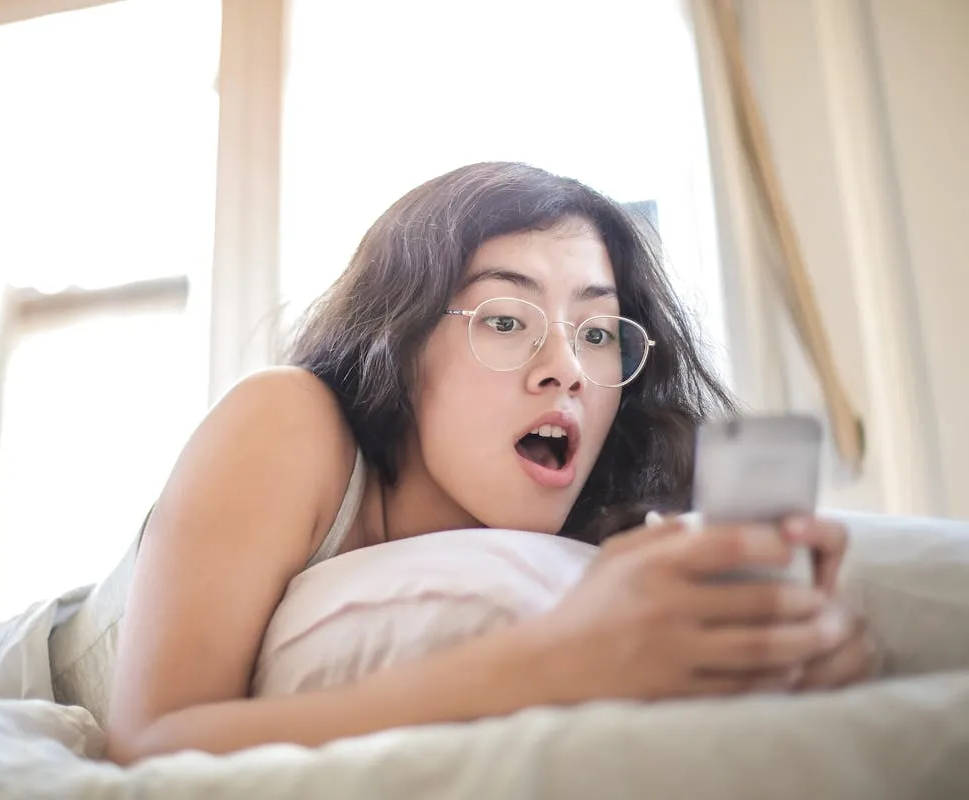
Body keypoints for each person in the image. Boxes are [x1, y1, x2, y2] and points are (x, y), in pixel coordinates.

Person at [105, 162, 875, 763]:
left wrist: (787, 651)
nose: (567, 367)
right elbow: (148, 745)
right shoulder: (287, 421)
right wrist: (549, 664)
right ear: (399, 344)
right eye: (507, 320)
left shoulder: (602, 524)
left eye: (599, 332)